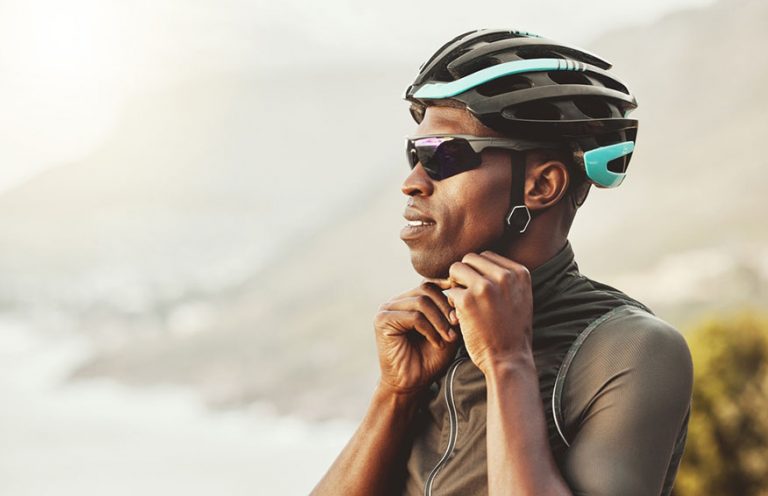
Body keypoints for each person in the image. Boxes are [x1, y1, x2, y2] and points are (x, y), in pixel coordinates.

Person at [311, 28, 693, 496]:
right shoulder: (439, 334)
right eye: (414, 154)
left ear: (541, 185)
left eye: (443, 155)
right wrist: (396, 395)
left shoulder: (631, 349)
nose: (411, 182)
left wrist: (508, 361)